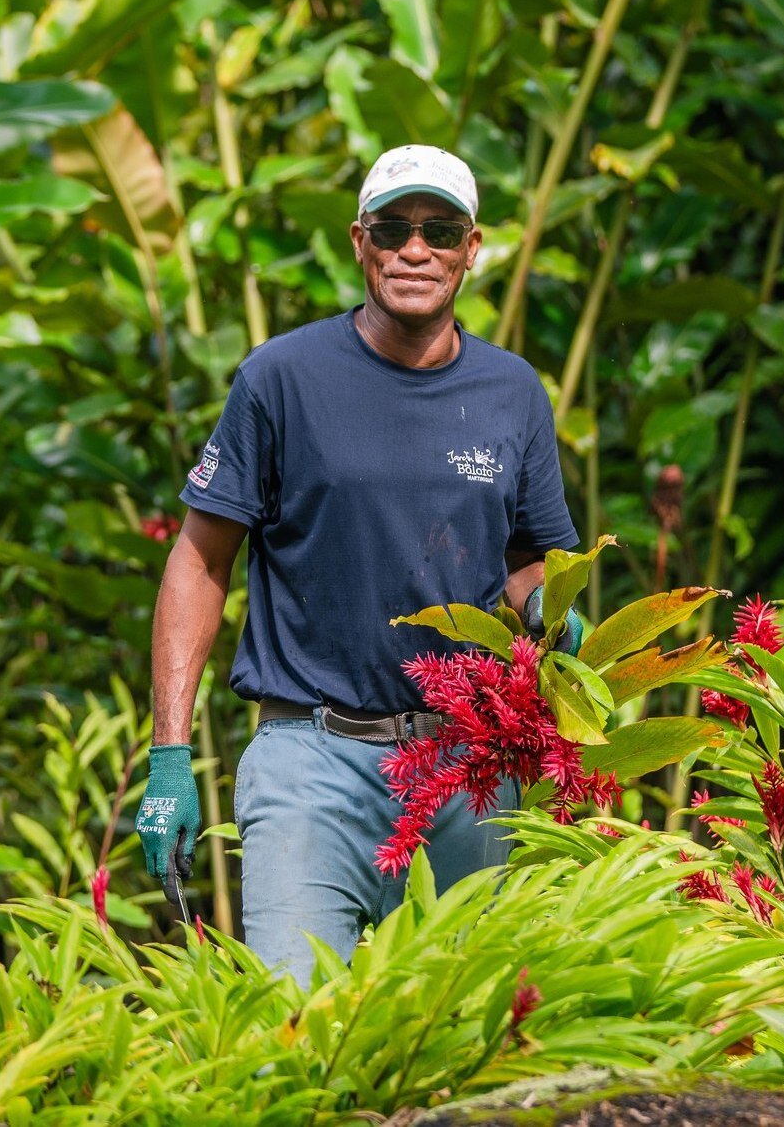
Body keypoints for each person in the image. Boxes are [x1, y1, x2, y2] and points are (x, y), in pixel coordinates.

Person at [133, 143, 583, 986]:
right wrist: (168, 757)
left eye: (439, 230)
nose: (416, 250)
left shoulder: (512, 391)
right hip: (311, 755)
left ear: (471, 248)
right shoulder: (281, 379)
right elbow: (198, 562)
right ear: (359, 242)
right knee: (291, 1025)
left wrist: (556, 624)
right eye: (395, 229)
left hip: (468, 767)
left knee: (472, 1032)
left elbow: (527, 560)